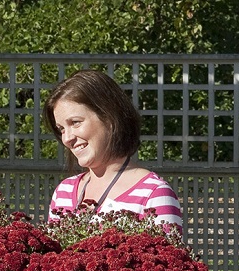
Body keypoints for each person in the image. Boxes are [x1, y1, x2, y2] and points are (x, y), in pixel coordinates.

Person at [44, 68, 183, 232]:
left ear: (109, 118)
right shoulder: (64, 193)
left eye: (75, 122)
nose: (67, 138)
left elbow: (168, 257)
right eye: (61, 129)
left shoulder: (153, 195)